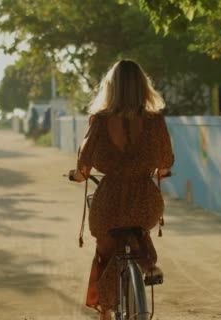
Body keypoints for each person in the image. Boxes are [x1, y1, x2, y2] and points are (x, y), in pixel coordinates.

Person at [68, 59, 174, 320]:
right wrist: (159, 170)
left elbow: (84, 167)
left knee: (106, 254)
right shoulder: (155, 121)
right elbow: (165, 162)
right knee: (138, 230)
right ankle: (146, 261)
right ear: (143, 87)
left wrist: (77, 176)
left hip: (110, 203)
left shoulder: (100, 121)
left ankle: (105, 311)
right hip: (145, 202)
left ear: (111, 88)